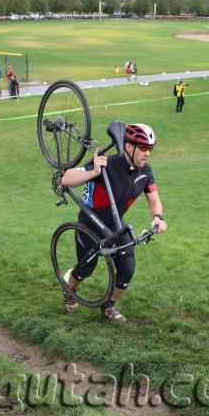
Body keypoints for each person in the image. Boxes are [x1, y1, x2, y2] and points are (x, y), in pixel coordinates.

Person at [60, 124, 167, 322]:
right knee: (85, 268)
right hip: (89, 224)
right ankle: (69, 289)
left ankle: (108, 305)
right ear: (128, 146)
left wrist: (158, 217)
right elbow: (66, 179)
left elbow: (154, 199)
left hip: (116, 225)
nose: (148, 154)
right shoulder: (106, 163)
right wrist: (93, 173)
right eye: (144, 148)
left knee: (127, 270)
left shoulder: (145, 171)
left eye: (150, 149)